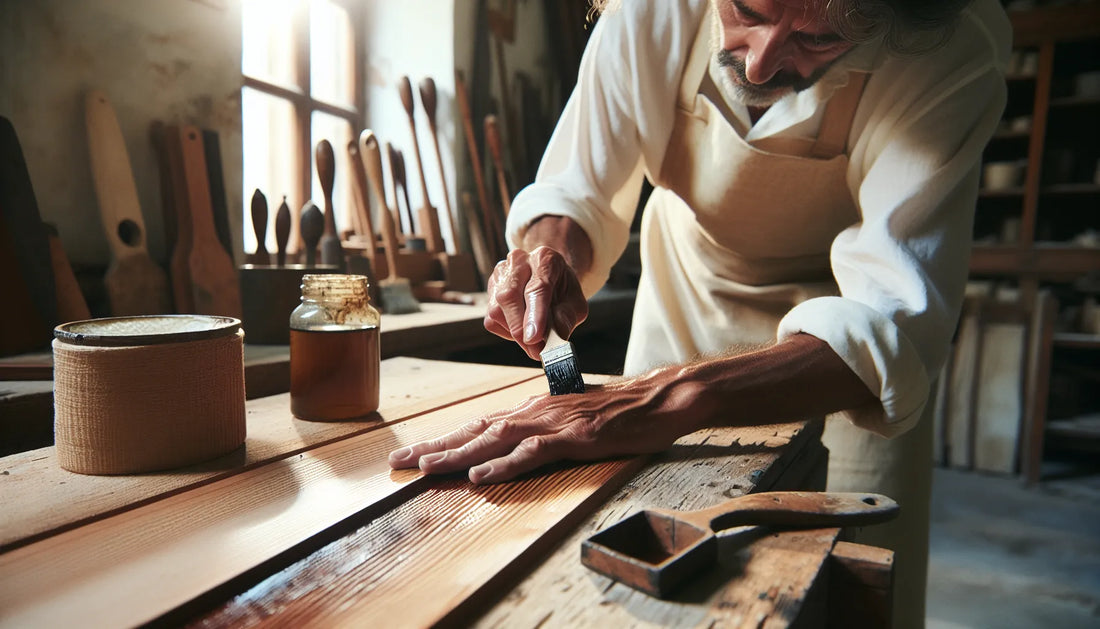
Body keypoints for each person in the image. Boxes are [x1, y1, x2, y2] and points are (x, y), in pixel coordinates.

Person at [390, 0, 1011, 624]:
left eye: (819, 38)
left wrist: (669, 398)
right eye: (745, 10)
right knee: (637, 573)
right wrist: (550, 255)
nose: (762, 63)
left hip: (842, 350)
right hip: (688, 295)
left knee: (848, 583)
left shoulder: (949, 44)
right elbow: (578, 189)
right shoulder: (648, 12)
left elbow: (893, 317)